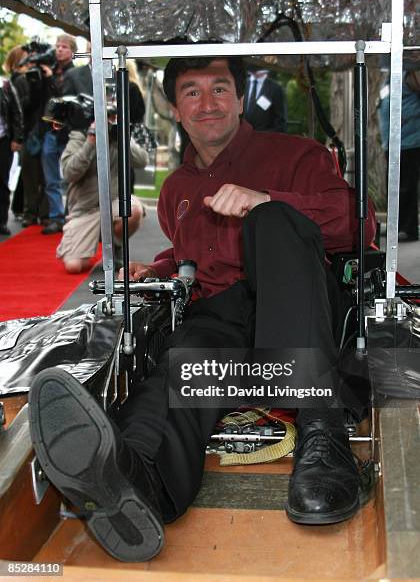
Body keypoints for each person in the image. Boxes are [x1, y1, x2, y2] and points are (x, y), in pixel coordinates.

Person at [29, 56, 376, 562]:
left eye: (220, 89)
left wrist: (267, 200)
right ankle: (139, 479)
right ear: (174, 108)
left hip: (298, 308)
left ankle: (322, 437)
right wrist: (161, 266)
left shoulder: (297, 154)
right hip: (224, 322)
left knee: (272, 221)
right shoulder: (176, 190)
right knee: (181, 360)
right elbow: (192, 254)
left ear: (240, 98)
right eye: (192, 92)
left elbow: (358, 226)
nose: (208, 103)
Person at [57, 115, 147, 273]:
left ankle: (115, 247)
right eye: (106, 117)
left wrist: (123, 138)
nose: (109, 121)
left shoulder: (119, 136)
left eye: (112, 117)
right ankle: (94, 238)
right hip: (85, 209)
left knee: (134, 211)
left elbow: (141, 161)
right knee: (73, 267)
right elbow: (69, 173)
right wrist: (90, 142)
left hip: (113, 203)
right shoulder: (79, 136)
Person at [3, 46, 49, 228]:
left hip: (38, 130)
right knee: (30, 175)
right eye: (27, 58)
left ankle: (34, 211)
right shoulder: (17, 80)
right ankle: (31, 211)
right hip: (29, 131)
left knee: (39, 175)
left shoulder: (35, 77)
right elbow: (22, 108)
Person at [37, 34, 76, 235]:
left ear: (72, 51)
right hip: (49, 132)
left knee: (69, 177)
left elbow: (65, 98)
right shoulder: (48, 69)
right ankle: (55, 217)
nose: (59, 49)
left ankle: (71, 217)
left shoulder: (74, 73)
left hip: (67, 132)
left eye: (64, 47)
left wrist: (51, 78)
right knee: (51, 178)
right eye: (57, 46)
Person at [378, 61, 420, 241]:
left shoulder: (412, 73)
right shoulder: (389, 76)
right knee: (394, 187)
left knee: (406, 186)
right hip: (392, 141)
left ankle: (408, 228)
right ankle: (398, 225)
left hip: (410, 141)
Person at [0, 53, 24, 235]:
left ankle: (1, 221)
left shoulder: (5, 85)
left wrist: (17, 138)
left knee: (2, 181)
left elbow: (16, 113)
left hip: (3, 140)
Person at [243, 66, 287, 132]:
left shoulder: (275, 88)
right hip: (243, 136)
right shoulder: (242, 84)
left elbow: (280, 120)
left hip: (265, 137)